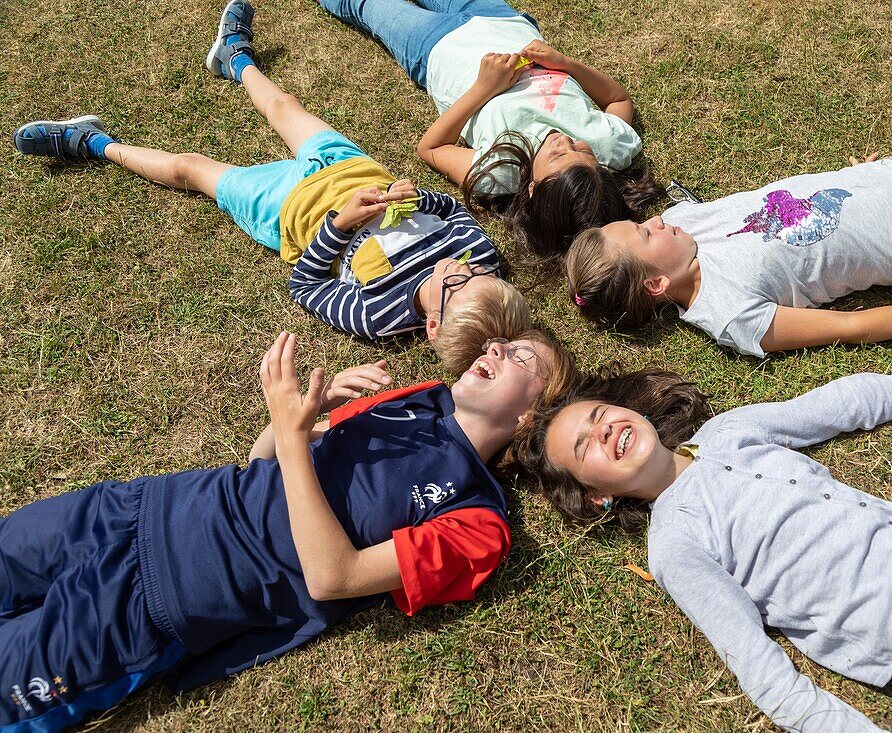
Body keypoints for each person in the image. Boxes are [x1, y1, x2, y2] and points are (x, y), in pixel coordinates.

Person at [0, 329, 574, 732]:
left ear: (532, 415)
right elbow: (261, 466)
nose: (497, 346)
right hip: (140, 507)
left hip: (162, 602)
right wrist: (305, 415)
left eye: (523, 356)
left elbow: (333, 577)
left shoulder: (479, 521)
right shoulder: (417, 401)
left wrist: (293, 433)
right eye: (504, 341)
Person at [515, 351, 892, 732]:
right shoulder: (674, 543)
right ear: (596, 496)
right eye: (585, 446)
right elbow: (759, 665)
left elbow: (841, 404)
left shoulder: (728, 433)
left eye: (597, 413)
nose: (604, 429)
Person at [12, 0, 530, 374]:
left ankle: (90, 142)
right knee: (285, 106)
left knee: (193, 169)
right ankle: (235, 58)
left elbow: (306, 287)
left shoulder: (380, 314)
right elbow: (455, 216)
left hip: (291, 208)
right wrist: (415, 198)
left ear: (433, 327)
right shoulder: (479, 258)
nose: (460, 268)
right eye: (477, 273)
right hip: (352, 169)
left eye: (456, 285)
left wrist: (341, 223)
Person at [566, 118, 892, 357]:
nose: (655, 219)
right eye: (643, 232)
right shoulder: (729, 311)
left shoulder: (689, 225)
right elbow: (854, 327)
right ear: (657, 284)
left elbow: (792, 199)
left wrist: (853, 180)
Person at [313, 0, 664, 260]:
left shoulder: (500, 174)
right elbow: (618, 99)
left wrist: (484, 87)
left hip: (436, 49)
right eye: (581, 150)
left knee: (366, 4)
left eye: (558, 155)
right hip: (502, 20)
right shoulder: (608, 147)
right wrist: (565, 63)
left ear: (530, 188)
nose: (564, 142)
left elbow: (431, 148)